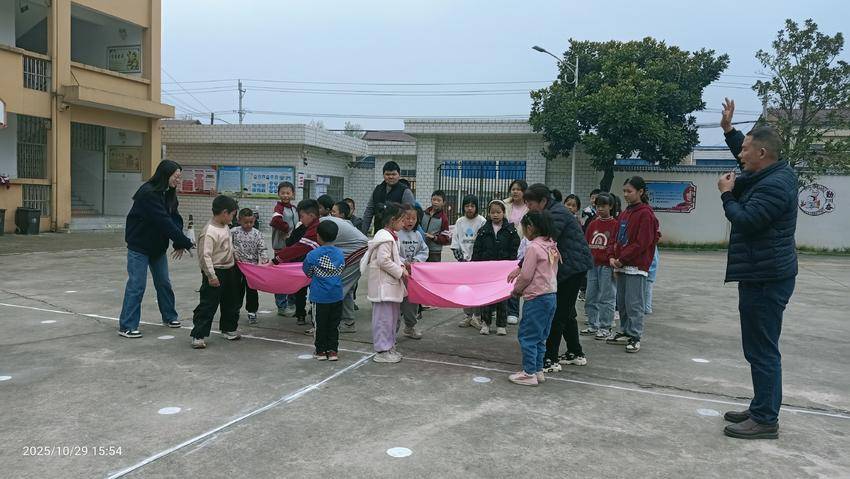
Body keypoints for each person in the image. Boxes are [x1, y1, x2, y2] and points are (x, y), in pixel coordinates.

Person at [717, 98, 798, 440]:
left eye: (747, 149)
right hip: (761, 273)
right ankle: (761, 405)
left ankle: (766, 418)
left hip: (766, 278)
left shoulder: (775, 185)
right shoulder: (771, 173)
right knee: (758, 347)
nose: (741, 154)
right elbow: (747, 155)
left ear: (762, 154)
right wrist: (730, 131)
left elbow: (747, 221)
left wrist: (726, 196)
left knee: (763, 349)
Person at [118, 160, 194, 338]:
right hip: (139, 247)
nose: (178, 180)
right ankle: (127, 326)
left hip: (157, 248)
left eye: (179, 177)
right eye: (176, 177)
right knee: (137, 285)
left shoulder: (168, 193)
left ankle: (169, 316)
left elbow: (175, 218)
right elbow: (163, 221)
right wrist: (186, 242)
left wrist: (178, 242)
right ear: (165, 175)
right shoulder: (148, 193)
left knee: (163, 283)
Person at [522, 184, 593, 372]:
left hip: (572, 268)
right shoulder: (552, 211)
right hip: (568, 267)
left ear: (543, 201)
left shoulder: (555, 215)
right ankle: (575, 352)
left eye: (530, 204)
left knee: (559, 314)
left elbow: (542, 244)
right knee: (567, 312)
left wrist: (520, 266)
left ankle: (550, 358)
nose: (528, 208)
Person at [506, 210, 561, 386]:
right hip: (550, 295)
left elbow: (526, 275)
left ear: (530, 227)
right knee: (540, 336)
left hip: (536, 298)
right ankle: (538, 370)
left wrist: (516, 290)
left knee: (527, 336)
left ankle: (529, 372)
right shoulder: (552, 245)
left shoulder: (533, 248)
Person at [606, 176, 660, 354]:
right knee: (621, 301)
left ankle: (635, 335)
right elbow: (615, 236)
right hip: (620, 264)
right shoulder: (626, 212)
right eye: (624, 191)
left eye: (629, 191)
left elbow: (642, 242)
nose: (626, 195)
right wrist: (612, 256)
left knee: (634, 302)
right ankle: (624, 330)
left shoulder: (646, 213)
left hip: (635, 266)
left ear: (641, 192)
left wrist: (623, 259)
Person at [190, 195, 242, 349]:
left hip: (230, 269)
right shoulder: (209, 231)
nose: (233, 218)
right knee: (208, 304)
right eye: (233, 214)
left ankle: (228, 328)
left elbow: (230, 247)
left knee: (232, 301)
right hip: (215, 272)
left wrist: (236, 258)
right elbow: (204, 256)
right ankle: (198, 335)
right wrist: (211, 276)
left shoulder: (225, 226)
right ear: (225, 213)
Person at [361, 202, 410, 363]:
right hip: (383, 287)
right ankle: (382, 350)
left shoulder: (390, 236)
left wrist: (402, 265)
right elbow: (383, 260)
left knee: (392, 318)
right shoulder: (385, 238)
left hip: (390, 286)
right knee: (383, 319)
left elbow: (394, 258)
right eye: (402, 220)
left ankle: (389, 347)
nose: (404, 223)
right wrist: (400, 271)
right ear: (393, 219)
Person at [472, 199, 520, 336]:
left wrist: (512, 264)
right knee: (486, 297)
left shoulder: (510, 231)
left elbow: (515, 248)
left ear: (504, 213)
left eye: (498, 212)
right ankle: (486, 323)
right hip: (486, 270)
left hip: (503, 271)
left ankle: (501, 325)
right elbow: (477, 249)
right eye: (492, 212)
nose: (495, 215)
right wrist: (475, 265)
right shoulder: (483, 230)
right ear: (488, 214)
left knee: (502, 298)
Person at [273, 199, 322, 326]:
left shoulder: (315, 229)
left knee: (318, 293)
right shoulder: (308, 227)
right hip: (314, 265)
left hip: (326, 266)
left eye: (302, 216)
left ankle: (318, 323)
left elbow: (298, 248)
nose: (300, 219)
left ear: (311, 215)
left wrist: (276, 260)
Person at [302, 221, 345, 361]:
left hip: (319, 296)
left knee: (320, 325)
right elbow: (341, 270)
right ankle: (333, 351)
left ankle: (320, 351)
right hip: (337, 295)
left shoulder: (313, 255)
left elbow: (307, 272)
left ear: (318, 236)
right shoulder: (340, 254)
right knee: (334, 324)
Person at [319, 212, 368, 334]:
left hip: (358, 252)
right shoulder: (331, 222)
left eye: (303, 216)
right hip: (354, 252)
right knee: (346, 288)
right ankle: (347, 321)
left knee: (338, 287)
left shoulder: (323, 224)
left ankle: (331, 323)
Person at [582, 193, 618, 340]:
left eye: (603, 206)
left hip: (607, 266)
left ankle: (605, 327)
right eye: (598, 206)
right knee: (590, 296)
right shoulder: (593, 224)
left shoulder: (615, 224)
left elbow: (616, 244)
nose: (600, 209)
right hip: (592, 265)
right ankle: (592, 324)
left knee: (606, 297)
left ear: (610, 206)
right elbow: (586, 242)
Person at [452, 194, 486, 328]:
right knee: (465, 290)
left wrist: (477, 259)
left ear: (476, 207)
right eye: (467, 206)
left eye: (472, 206)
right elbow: (455, 242)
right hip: (464, 263)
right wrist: (461, 258)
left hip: (477, 262)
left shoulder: (482, 221)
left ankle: (477, 316)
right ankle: (467, 315)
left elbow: (484, 242)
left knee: (477, 290)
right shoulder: (460, 221)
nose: (469, 209)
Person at [231, 208, 269, 325]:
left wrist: (264, 258)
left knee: (252, 290)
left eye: (251, 222)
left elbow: (262, 248)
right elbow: (227, 245)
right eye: (245, 222)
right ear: (239, 221)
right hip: (237, 266)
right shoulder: (233, 232)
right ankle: (234, 310)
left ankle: (252, 311)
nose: (248, 225)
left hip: (252, 268)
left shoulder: (257, 234)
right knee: (236, 289)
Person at [397, 207, 429, 339]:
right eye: (407, 218)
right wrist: (404, 262)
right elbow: (392, 253)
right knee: (396, 303)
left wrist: (416, 261)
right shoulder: (396, 234)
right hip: (398, 275)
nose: (410, 221)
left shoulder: (417, 235)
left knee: (411, 303)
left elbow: (424, 250)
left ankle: (410, 327)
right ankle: (391, 331)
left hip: (413, 275)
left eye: (413, 218)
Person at [360, 161, 416, 235]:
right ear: (383, 175)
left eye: (393, 174)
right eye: (387, 174)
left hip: (398, 235)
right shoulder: (377, 189)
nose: (390, 177)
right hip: (379, 232)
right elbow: (369, 211)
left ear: (399, 175)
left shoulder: (405, 191)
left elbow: (410, 215)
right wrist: (363, 233)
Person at [270, 181, 297, 317]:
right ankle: (281, 306)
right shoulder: (278, 208)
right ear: (278, 194)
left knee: (292, 277)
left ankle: (292, 302)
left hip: (293, 248)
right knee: (281, 278)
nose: (285, 195)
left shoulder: (294, 208)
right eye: (283, 193)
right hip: (281, 248)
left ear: (293, 194)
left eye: (288, 193)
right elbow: (275, 221)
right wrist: (286, 229)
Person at [504, 179, 529, 325]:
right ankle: (503, 308)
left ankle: (513, 311)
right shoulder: (505, 204)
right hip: (506, 245)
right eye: (513, 189)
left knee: (519, 278)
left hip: (523, 246)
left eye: (519, 189)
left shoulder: (529, 207)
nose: (515, 192)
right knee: (507, 278)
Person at [421, 190, 451, 263]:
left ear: (443, 203)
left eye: (439, 200)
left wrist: (434, 237)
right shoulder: (424, 213)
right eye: (434, 199)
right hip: (421, 249)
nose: (435, 202)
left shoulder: (443, 218)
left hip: (434, 251)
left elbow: (446, 238)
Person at [645, 247, 660, 314]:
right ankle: (647, 308)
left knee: (647, 290)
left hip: (648, 271)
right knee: (647, 291)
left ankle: (647, 308)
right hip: (649, 270)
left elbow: (653, 261)